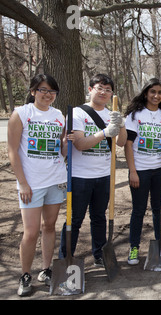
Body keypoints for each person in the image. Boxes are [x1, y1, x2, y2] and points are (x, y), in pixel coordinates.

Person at [8, 74, 68, 296]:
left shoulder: (59, 116)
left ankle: (46, 269)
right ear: (33, 91)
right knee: (31, 232)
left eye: (52, 91)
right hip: (31, 184)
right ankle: (25, 275)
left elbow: (61, 151)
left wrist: (66, 142)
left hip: (55, 180)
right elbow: (12, 151)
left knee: (49, 227)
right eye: (43, 90)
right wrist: (22, 183)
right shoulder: (22, 114)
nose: (47, 95)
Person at [59, 74, 127, 267]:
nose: (104, 92)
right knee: (75, 219)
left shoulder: (111, 113)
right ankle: (65, 258)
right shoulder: (78, 114)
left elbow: (121, 142)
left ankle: (99, 254)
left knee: (99, 217)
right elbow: (80, 144)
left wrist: (120, 125)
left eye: (108, 90)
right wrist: (105, 132)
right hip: (80, 176)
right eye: (100, 88)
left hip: (104, 175)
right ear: (90, 89)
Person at [124, 79, 161, 265]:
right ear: (146, 93)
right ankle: (134, 246)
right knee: (138, 210)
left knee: (158, 209)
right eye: (153, 92)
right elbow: (128, 145)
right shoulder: (135, 115)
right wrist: (132, 171)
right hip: (141, 169)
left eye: (160, 92)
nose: (156, 96)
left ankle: (159, 243)